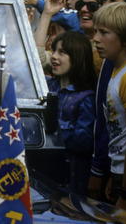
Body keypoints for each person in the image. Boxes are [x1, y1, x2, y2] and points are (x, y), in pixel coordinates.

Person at [92, 2, 126, 210]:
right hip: (121, 173)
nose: (96, 39)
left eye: (104, 33)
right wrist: (115, 174)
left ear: (125, 38)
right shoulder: (117, 70)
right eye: (95, 31)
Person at [46, 30, 96, 196]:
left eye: (62, 52)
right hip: (43, 171)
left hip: (71, 176)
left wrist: (51, 128)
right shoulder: (46, 87)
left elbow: (83, 141)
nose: (54, 56)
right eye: (54, 51)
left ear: (78, 57)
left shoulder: (86, 97)